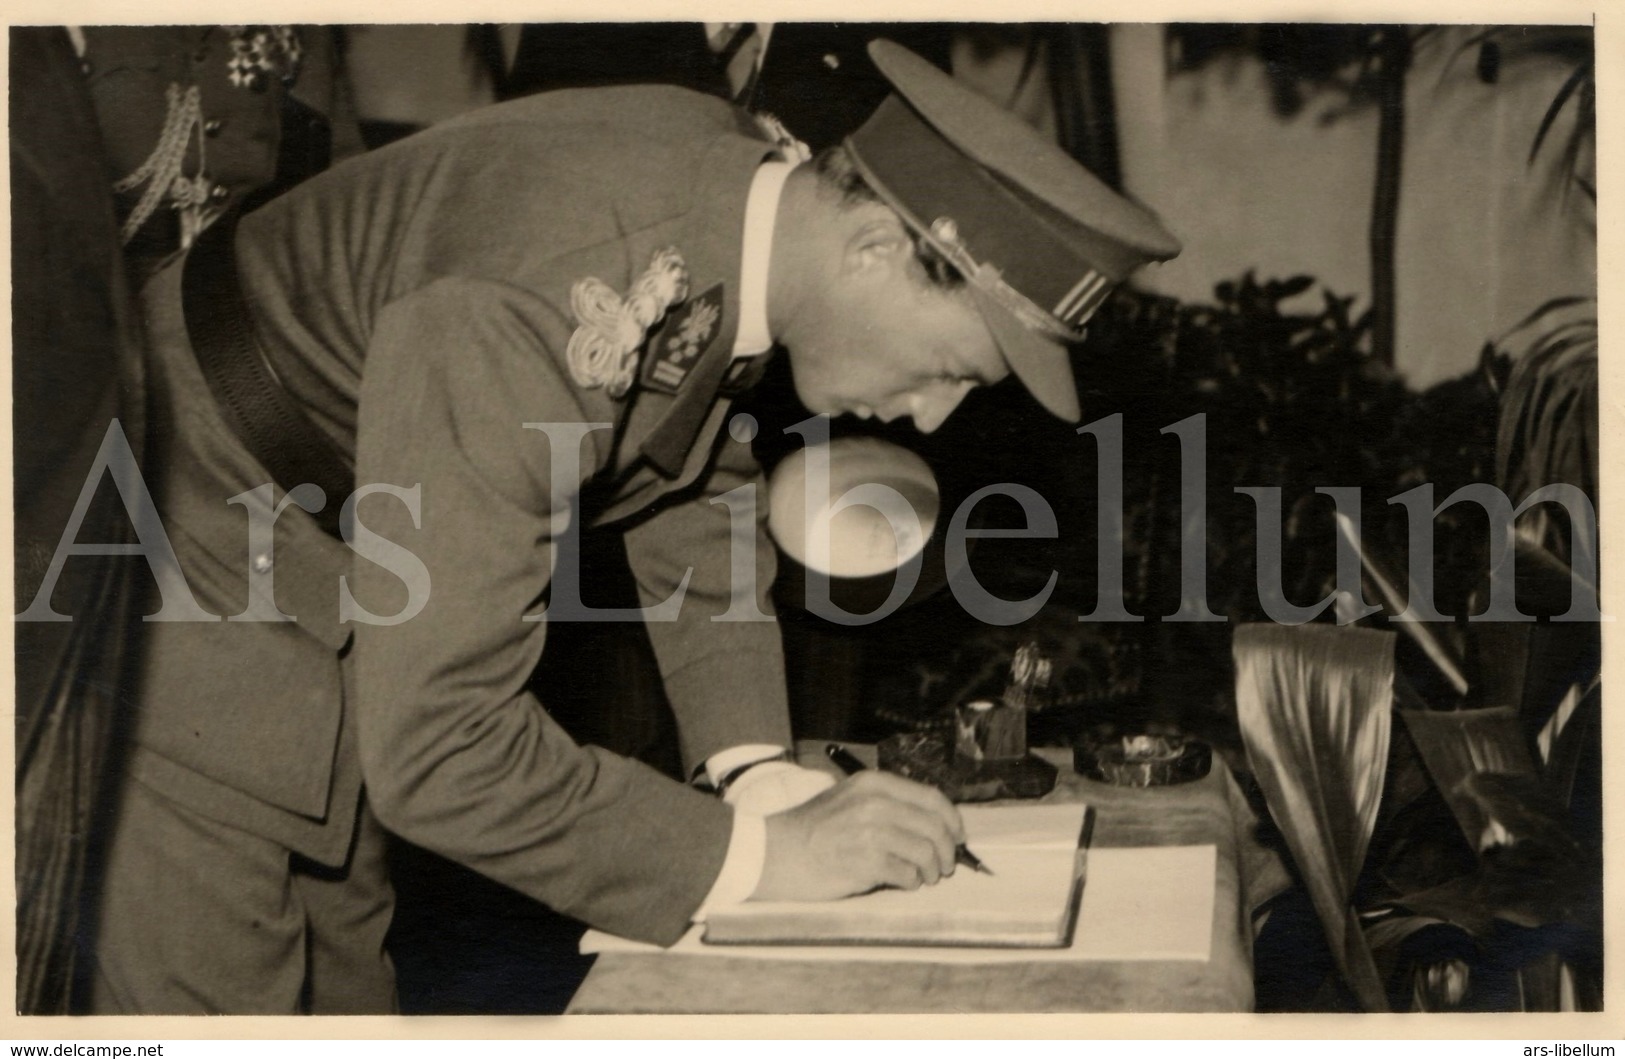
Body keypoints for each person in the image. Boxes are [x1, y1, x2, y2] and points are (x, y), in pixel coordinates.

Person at [79, 40, 1179, 1012]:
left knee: (349, 992)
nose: (930, 416)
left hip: (341, 556)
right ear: (876, 251)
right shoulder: (540, 299)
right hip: (181, 564)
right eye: (947, 368)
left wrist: (752, 767)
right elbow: (442, 750)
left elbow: (687, 462)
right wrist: (759, 858)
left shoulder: (736, 199)